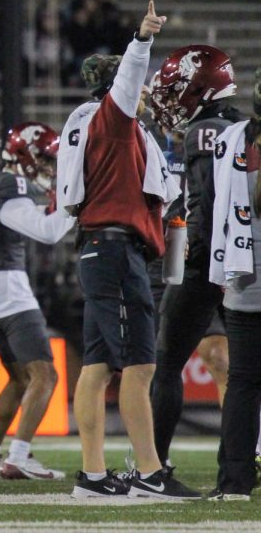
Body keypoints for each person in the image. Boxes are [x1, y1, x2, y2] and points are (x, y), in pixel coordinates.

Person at [57, 2, 198, 500]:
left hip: (102, 248)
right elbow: (128, 84)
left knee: (97, 367)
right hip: (116, 250)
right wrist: (141, 39)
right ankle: (149, 473)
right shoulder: (113, 121)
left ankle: (94, 476)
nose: (142, 95)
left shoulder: (90, 123)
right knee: (140, 364)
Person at [146, 45, 240, 480]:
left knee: (164, 364)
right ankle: (240, 465)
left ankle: (153, 465)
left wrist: (195, 261)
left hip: (208, 262)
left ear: (198, 85)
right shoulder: (240, 123)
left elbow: (204, 206)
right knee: (246, 372)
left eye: (175, 89)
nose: (170, 99)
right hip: (245, 260)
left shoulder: (203, 130)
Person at [0, 123, 72, 481]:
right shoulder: (9, 185)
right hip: (6, 284)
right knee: (45, 375)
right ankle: (18, 458)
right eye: (43, 157)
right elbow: (48, 231)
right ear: (24, 155)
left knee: (18, 379)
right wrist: (75, 204)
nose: (48, 166)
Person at [207, 72, 261, 499]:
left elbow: (212, 202)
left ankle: (234, 483)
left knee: (242, 382)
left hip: (243, 272)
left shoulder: (233, 138)